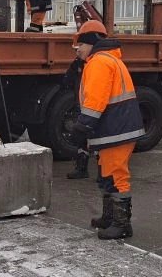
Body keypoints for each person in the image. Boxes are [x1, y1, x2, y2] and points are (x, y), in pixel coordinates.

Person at [67, 20, 145, 239]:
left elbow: (95, 101)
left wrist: (81, 127)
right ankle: (110, 217)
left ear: (90, 43)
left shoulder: (99, 62)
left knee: (115, 175)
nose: (78, 51)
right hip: (116, 128)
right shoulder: (110, 59)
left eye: (79, 45)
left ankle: (121, 224)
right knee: (107, 174)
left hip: (115, 130)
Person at [62, 37, 89, 179]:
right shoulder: (78, 64)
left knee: (94, 139)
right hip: (83, 106)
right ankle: (82, 167)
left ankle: (101, 170)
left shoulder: (93, 64)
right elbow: (67, 80)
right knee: (81, 138)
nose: (77, 51)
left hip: (91, 108)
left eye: (79, 48)